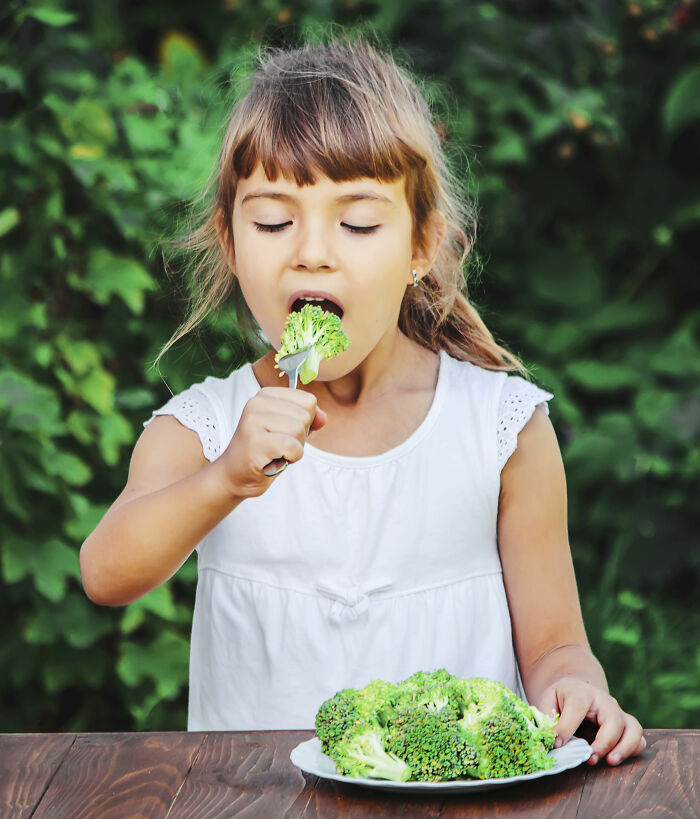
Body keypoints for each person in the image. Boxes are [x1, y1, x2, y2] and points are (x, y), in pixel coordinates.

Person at [80, 33, 645, 768]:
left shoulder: (501, 430)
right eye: (274, 221)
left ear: (420, 246)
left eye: (358, 223)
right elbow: (106, 572)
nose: (312, 251)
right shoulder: (203, 427)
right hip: (253, 802)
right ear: (228, 239)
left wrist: (577, 686)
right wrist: (224, 481)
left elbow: (557, 645)